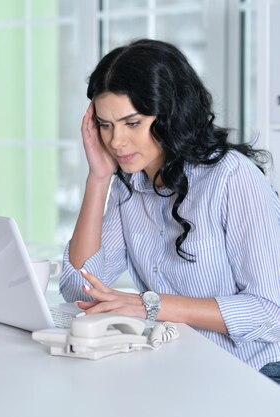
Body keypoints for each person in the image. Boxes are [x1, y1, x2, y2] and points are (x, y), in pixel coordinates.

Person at [59, 39, 280, 382]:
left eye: (132, 123)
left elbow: (270, 313)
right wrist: (98, 178)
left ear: (170, 115)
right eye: (105, 124)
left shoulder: (231, 178)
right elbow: (78, 288)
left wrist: (150, 304)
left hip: (255, 374)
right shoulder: (128, 185)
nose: (116, 141)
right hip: (179, 370)